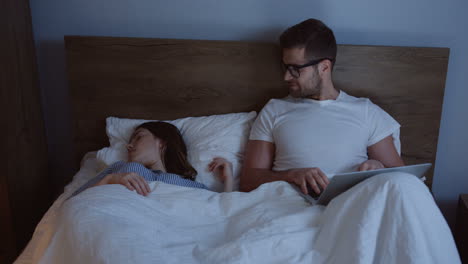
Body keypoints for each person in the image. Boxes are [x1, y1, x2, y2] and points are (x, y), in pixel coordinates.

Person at [240, 18, 404, 195]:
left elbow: (404, 180)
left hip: (352, 205)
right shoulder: (274, 110)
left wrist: (378, 167)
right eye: (285, 67)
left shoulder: (366, 111)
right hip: (287, 206)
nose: (287, 77)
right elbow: (248, 182)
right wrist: (291, 175)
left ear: (324, 67)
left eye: (295, 69)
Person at [71, 121, 233, 197]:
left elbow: (219, 211)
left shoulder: (188, 184)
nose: (129, 145)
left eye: (138, 138)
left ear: (161, 142)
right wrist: (110, 179)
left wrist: (228, 179)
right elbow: (73, 201)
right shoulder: (118, 169)